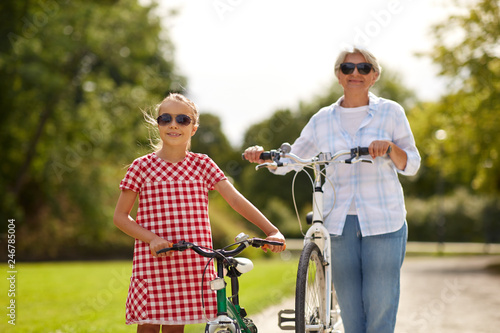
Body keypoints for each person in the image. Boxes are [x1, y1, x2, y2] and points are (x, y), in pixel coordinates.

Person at [244, 47, 420, 333]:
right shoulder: (322, 119)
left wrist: (389, 148)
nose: (355, 74)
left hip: (384, 220)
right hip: (339, 222)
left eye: (363, 68)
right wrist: (264, 155)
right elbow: (293, 158)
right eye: (347, 68)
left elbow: (411, 164)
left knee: (380, 306)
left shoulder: (391, 112)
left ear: (373, 76)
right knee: (351, 312)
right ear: (338, 75)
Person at [114, 93, 286, 333]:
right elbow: (120, 217)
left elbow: (235, 200)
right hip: (152, 262)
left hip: (190, 261)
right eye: (166, 118)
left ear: (193, 128)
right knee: (149, 328)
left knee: (175, 329)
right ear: (158, 124)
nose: (173, 124)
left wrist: (271, 230)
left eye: (182, 119)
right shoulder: (141, 167)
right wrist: (151, 239)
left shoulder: (202, 165)